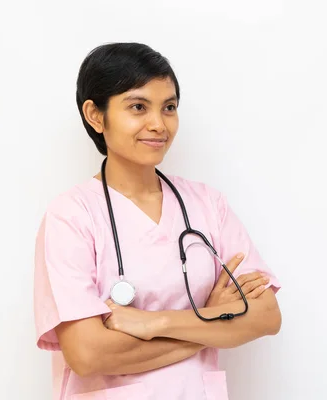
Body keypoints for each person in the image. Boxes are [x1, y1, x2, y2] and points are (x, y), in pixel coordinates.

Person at [33, 42, 282, 400]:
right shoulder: (71, 216)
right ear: (95, 115)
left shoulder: (207, 204)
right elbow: (87, 354)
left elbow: (265, 316)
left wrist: (153, 323)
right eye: (138, 107)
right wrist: (212, 318)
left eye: (169, 108)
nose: (158, 124)